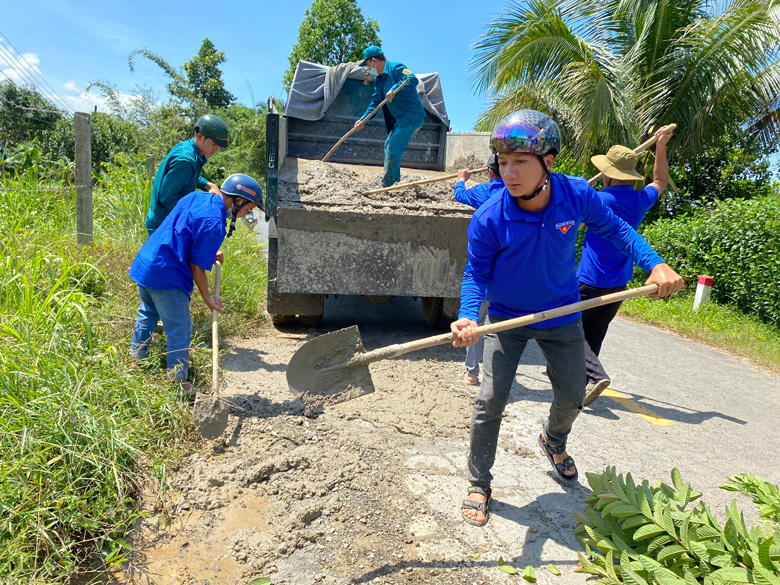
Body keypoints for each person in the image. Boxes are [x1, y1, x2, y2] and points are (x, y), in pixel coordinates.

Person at [450, 110, 683, 527]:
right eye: (503, 162)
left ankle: (553, 438)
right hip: (505, 318)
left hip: (561, 312)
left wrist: (655, 263)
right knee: (490, 401)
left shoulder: (575, 196)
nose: (510, 172)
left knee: (575, 394)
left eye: (521, 161)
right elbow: (475, 274)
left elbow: (617, 230)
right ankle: (479, 481)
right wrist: (469, 317)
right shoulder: (490, 217)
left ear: (549, 162)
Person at [129, 174, 262, 394]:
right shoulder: (215, 223)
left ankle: (136, 362)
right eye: (248, 209)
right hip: (167, 276)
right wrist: (209, 299)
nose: (247, 214)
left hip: (147, 265)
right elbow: (197, 268)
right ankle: (177, 381)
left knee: (148, 314)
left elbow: (186, 231)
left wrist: (208, 251)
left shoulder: (197, 197)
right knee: (179, 328)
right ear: (238, 201)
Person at [577, 126, 674, 406]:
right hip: (619, 282)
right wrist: (661, 146)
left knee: (569, 330)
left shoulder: (597, 199)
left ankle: (595, 377)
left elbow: (573, 226)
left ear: (607, 173)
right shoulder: (641, 199)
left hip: (588, 280)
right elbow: (660, 180)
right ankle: (580, 388)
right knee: (594, 335)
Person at [454, 153, 504, 385]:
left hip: (485, 270)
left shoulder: (485, 192)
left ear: (489, 172)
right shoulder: (521, 194)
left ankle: (472, 373)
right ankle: (499, 374)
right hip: (510, 274)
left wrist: (461, 179)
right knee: (502, 322)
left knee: (475, 323)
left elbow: (460, 194)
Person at [353, 46, 426, 188]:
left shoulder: (396, 68)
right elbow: (375, 103)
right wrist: (363, 120)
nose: (368, 69)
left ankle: (388, 185)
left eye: (368, 65)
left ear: (373, 61)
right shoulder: (379, 81)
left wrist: (394, 89)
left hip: (412, 116)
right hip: (400, 120)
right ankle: (394, 182)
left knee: (392, 145)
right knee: (389, 145)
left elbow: (412, 79)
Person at [145, 114, 229, 235]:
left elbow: (188, 176)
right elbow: (167, 198)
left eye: (219, 146)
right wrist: (191, 219)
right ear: (200, 136)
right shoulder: (185, 159)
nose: (216, 149)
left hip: (171, 221)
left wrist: (209, 185)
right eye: (214, 144)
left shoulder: (190, 149)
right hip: (164, 224)